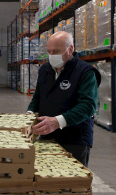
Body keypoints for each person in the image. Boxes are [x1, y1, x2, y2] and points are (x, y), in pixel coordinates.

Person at [27, 31, 101, 167]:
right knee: (47, 177)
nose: (51, 56)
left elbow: (88, 106)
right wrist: (30, 113)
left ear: (70, 49)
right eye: (49, 51)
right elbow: (38, 97)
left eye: (55, 51)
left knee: (73, 183)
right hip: (47, 136)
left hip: (75, 139)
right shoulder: (45, 70)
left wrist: (57, 121)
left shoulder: (85, 72)